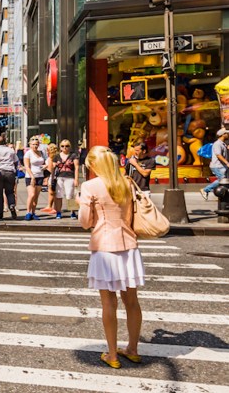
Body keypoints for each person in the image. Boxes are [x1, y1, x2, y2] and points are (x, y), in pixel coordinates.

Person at [79, 146, 144, 369]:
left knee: (109, 303)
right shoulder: (125, 182)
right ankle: (133, 349)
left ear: (95, 165)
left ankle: (113, 354)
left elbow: (85, 222)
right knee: (132, 301)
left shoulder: (90, 186)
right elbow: (129, 217)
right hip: (128, 246)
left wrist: (84, 205)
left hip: (105, 247)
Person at [49, 140, 78, 219]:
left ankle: (73, 212)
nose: (65, 148)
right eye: (62, 146)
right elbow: (53, 168)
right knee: (58, 195)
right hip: (59, 177)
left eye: (67, 146)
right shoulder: (57, 156)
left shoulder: (73, 155)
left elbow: (76, 168)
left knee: (70, 195)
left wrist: (76, 179)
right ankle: (58, 212)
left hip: (70, 177)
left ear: (70, 146)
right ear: (60, 147)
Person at [23, 138, 47, 221]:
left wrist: (45, 166)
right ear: (30, 145)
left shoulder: (42, 153)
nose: (35, 146)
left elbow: (46, 162)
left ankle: (33, 212)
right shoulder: (28, 154)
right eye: (33, 144)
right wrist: (32, 177)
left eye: (36, 144)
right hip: (30, 176)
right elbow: (26, 166)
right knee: (31, 195)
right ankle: (28, 212)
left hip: (40, 176)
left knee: (36, 196)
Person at [201, 128, 229, 200]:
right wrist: (227, 162)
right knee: (222, 180)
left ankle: (222, 194)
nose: (228, 135)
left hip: (221, 166)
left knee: (224, 180)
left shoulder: (222, 144)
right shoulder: (217, 144)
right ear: (223, 135)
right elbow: (218, 155)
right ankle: (205, 190)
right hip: (217, 166)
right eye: (226, 133)